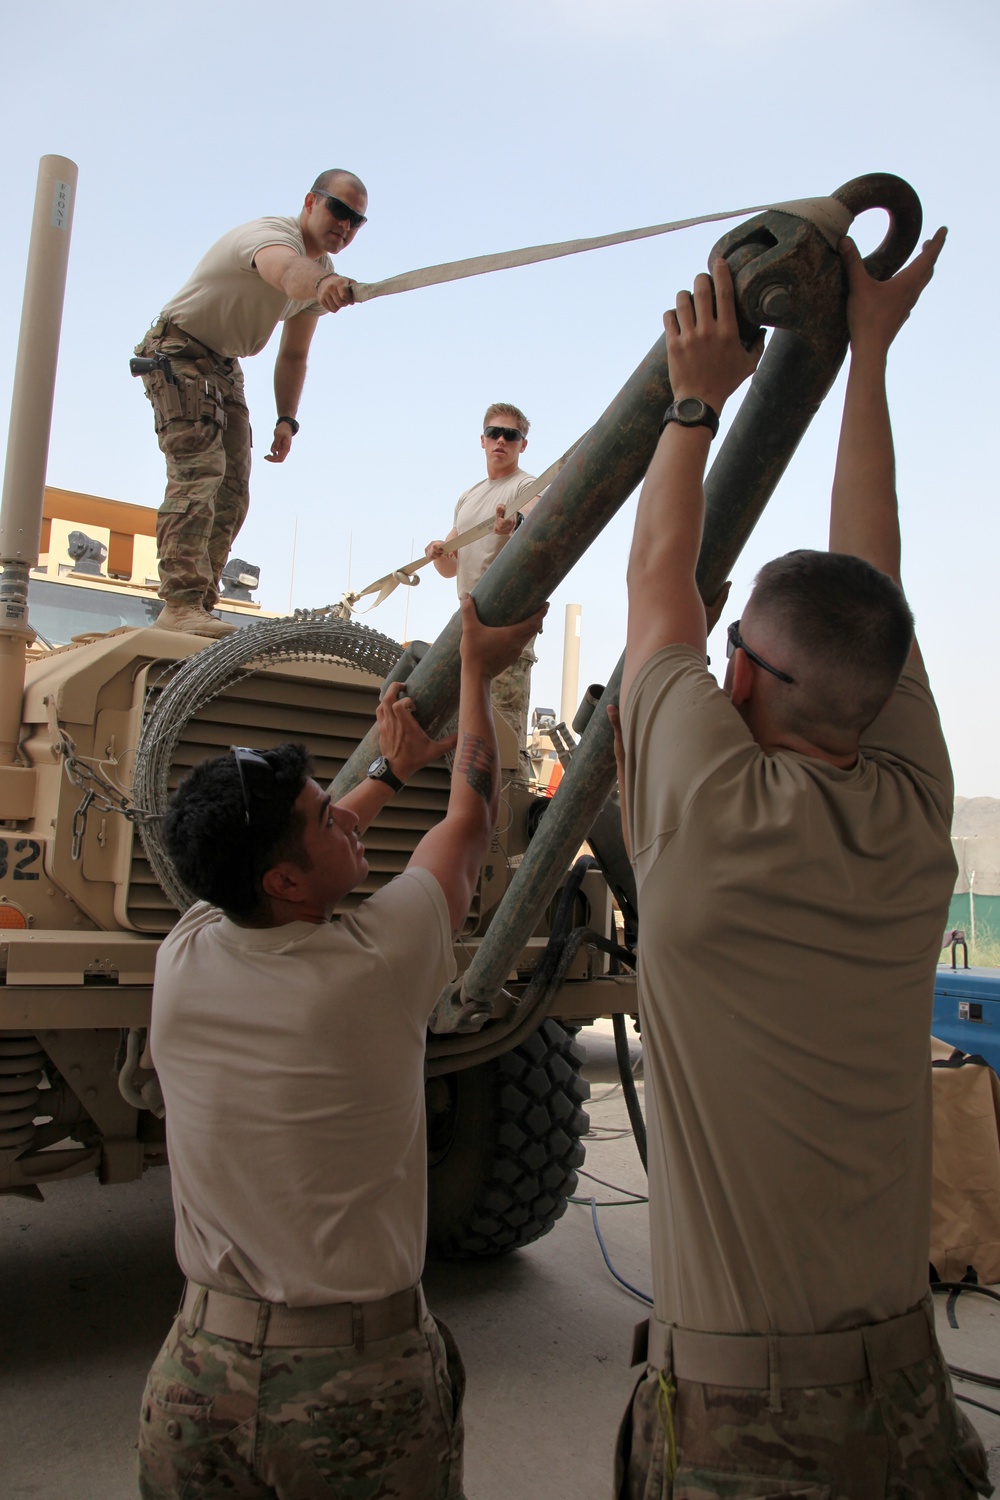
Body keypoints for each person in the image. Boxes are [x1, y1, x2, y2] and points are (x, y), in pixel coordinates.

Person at [612, 234, 993, 1497]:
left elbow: (658, 571)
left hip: (744, 1422)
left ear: (740, 679)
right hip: (906, 1401)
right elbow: (865, 583)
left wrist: (689, 395)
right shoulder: (912, 810)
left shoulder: (708, 808)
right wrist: (865, 358)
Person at [137, 591, 547, 1500]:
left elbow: (314, 847)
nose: (345, 818)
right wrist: (478, 668)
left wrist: (383, 777)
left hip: (198, 1381)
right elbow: (469, 823)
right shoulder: (373, 969)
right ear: (283, 879)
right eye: (327, 818)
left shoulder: (188, 955)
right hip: (352, 1394)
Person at [133, 170, 366, 637]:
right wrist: (322, 282)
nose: (345, 224)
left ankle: (199, 604)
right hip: (178, 349)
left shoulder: (316, 282)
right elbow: (286, 272)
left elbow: (294, 354)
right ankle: (178, 603)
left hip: (223, 366)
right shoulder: (271, 237)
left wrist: (286, 419)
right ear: (311, 202)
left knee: (233, 494)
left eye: (357, 220)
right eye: (338, 209)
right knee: (199, 472)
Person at [425, 404, 541, 761]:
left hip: (504, 628)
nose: (501, 440)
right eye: (494, 433)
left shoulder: (526, 485)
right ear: (482, 440)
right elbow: (449, 568)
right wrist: (437, 553)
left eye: (511, 435)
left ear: (523, 444)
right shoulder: (468, 497)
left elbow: (536, 520)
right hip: (470, 626)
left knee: (502, 745)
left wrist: (515, 524)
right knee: (468, 740)